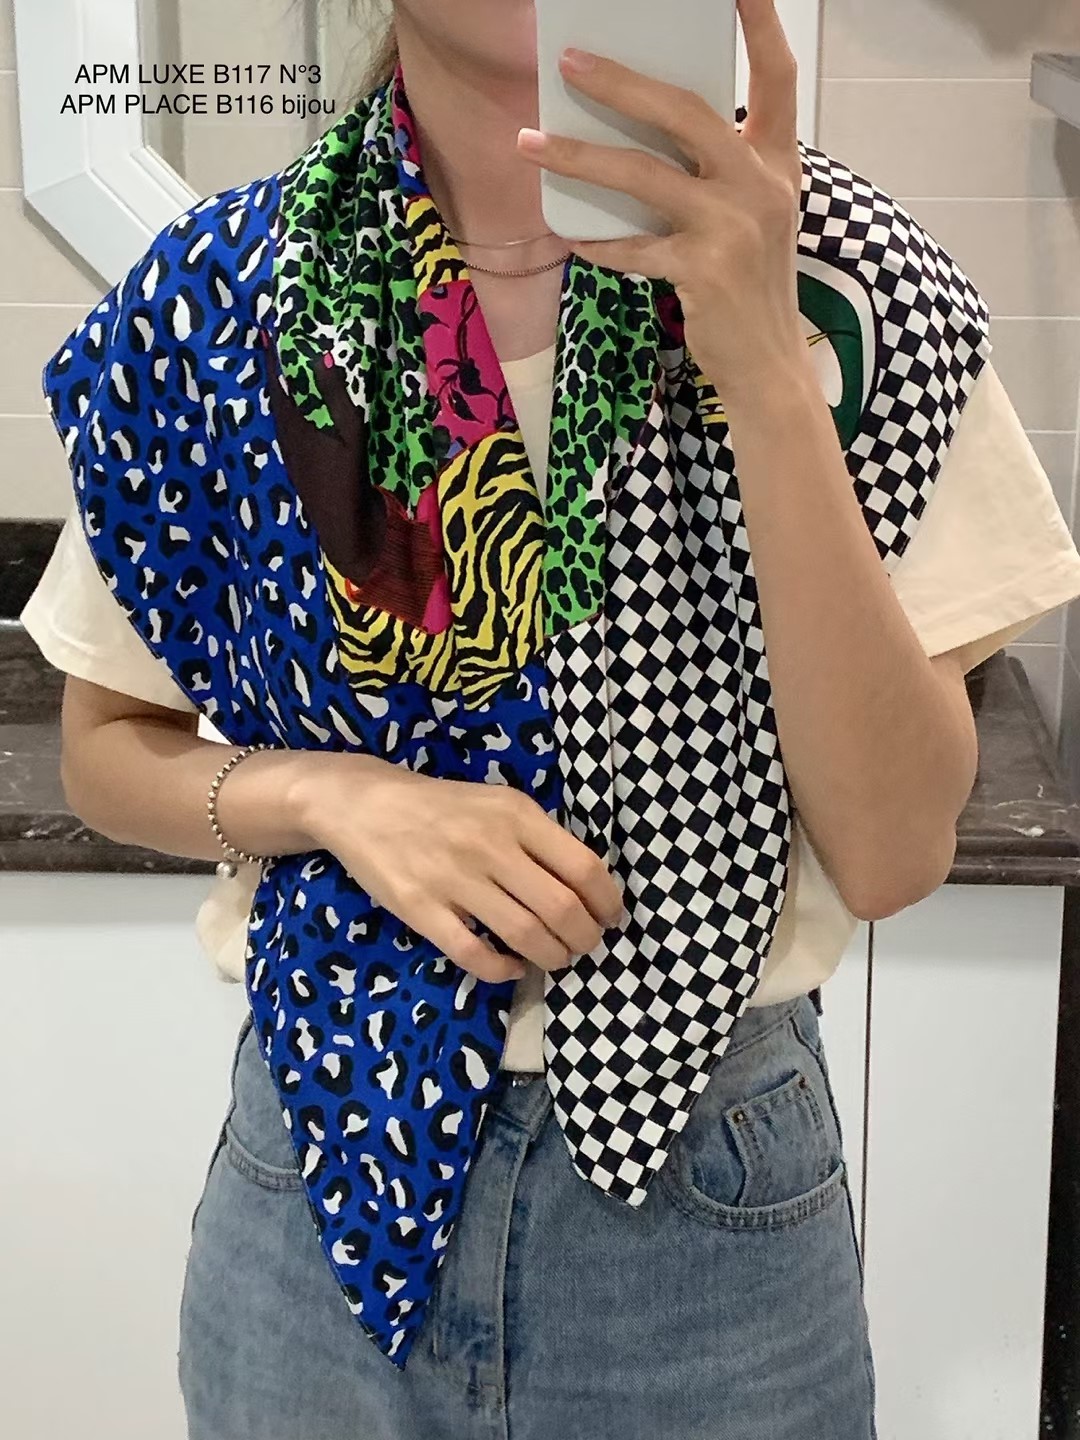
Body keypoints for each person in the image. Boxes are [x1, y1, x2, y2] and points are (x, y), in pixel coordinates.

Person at [20, 0, 1080, 1435]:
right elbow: (106, 748)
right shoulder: (222, 303)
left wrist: (764, 363)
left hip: (706, 1202)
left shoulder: (845, 282)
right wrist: (332, 796)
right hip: (318, 1174)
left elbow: (896, 850)